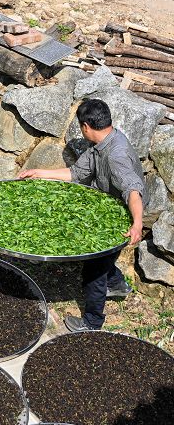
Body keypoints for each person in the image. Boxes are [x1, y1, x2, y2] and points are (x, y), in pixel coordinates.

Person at [19, 98, 144, 332]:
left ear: (85, 126)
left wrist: (136, 224)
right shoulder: (101, 144)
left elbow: (133, 190)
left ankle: (92, 322)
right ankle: (117, 284)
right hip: (104, 206)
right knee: (103, 260)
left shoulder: (115, 154)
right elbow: (77, 173)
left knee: (94, 270)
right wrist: (40, 172)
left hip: (120, 213)